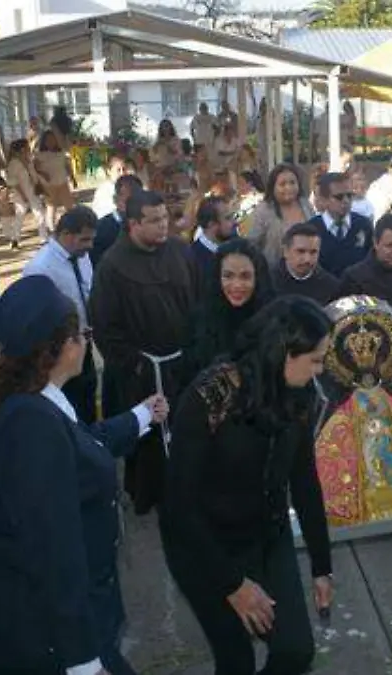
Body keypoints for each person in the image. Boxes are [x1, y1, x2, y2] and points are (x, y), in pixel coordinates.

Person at [0, 275, 168, 675]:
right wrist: (82, 660)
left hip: (49, 628)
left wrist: (140, 416)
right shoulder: (30, 423)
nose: (87, 342)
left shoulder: (37, 404)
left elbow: (82, 445)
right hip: (36, 639)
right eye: (82, 334)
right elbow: (51, 548)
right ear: (58, 347)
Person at [160, 296, 334, 675]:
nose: (320, 371)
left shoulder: (300, 394)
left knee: (295, 651)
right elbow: (179, 508)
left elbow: (304, 480)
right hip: (205, 547)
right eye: (315, 360)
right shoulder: (210, 396)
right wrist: (234, 585)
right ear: (285, 352)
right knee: (236, 660)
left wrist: (322, 566)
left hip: (267, 537)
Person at [90, 190, 197, 515]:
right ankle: (150, 496)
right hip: (143, 372)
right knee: (148, 441)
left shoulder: (181, 251)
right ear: (133, 224)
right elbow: (104, 326)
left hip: (182, 364)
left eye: (165, 218)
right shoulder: (112, 266)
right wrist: (135, 366)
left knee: (189, 431)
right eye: (153, 220)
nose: (163, 225)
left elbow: (198, 300)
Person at [23, 206, 98, 421]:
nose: (90, 246)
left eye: (92, 239)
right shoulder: (40, 268)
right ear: (66, 234)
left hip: (83, 345)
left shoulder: (81, 256)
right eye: (84, 239)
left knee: (88, 401)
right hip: (58, 353)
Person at [188, 238, 275, 377]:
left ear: (258, 278)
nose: (237, 285)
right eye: (228, 276)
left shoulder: (273, 322)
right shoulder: (199, 320)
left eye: (245, 276)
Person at [246, 164, 314, 265]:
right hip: (273, 269)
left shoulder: (306, 205)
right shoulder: (263, 210)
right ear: (273, 187)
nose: (288, 187)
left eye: (292, 183)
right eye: (282, 184)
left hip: (307, 266)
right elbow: (251, 244)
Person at [309, 172, 372, 278]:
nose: (346, 201)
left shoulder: (363, 225)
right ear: (324, 200)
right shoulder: (311, 229)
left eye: (349, 195)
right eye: (339, 197)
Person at [271, 222, 340, 305]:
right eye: (301, 251)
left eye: (313, 252)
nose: (307, 259)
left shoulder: (331, 287)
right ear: (285, 251)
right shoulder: (267, 282)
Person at [92, 174, 142, 266]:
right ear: (115, 199)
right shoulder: (100, 230)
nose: (133, 206)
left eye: (137, 201)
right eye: (127, 201)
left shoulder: (145, 223)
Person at [190, 195, 238, 284]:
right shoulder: (193, 260)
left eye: (233, 216)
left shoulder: (238, 247)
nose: (235, 222)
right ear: (211, 224)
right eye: (228, 218)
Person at [4, 140, 43, 250]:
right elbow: (13, 182)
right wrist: (23, 195)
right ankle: (15, 239)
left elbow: (34, 176)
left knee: (39, 213)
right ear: (22, 150)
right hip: (20, 193)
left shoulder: (28, 162)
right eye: (27, 148)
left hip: (32, 191)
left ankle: (43, 237)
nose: (29, 150)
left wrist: (38, 186)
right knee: (20, 215)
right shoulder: (14, 163)